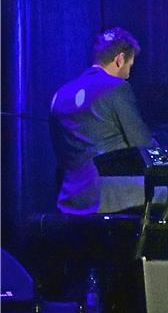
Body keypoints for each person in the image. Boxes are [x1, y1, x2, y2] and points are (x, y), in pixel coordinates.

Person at [49, 27, 158, 214]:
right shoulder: (117, 87)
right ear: (120, 59)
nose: (129, 74)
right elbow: (143, 146)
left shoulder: (59, 94)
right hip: (114, 195)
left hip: (71, 197)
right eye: (130, 66)